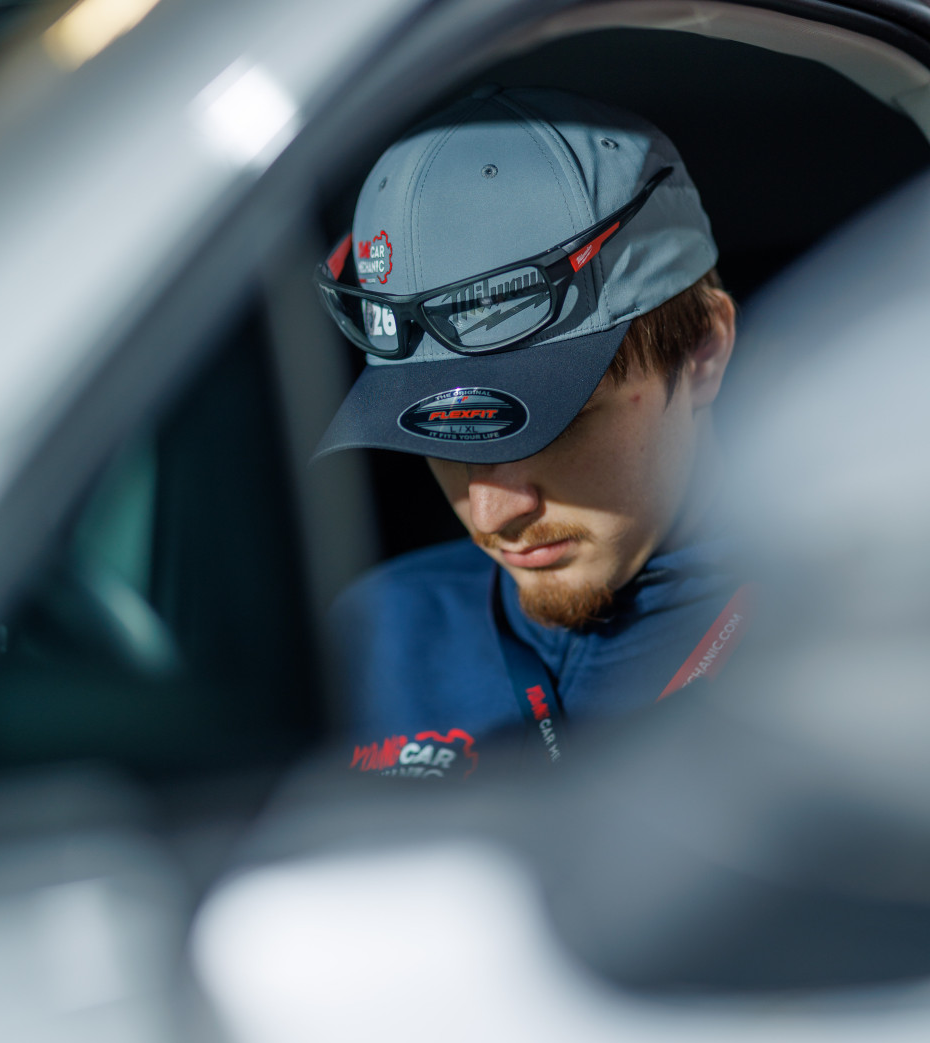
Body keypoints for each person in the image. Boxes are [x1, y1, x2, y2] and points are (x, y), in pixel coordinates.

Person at [313, 86, 750, 779]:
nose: (491, 515)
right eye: (440, 434)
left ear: (703, 351)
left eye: (549, 425)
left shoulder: (861, 640)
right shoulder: (375, 633)